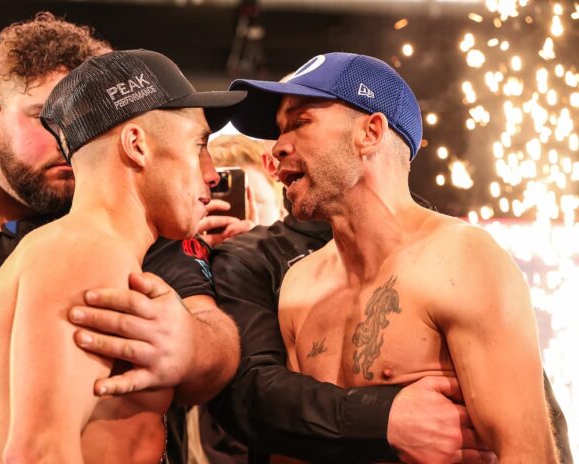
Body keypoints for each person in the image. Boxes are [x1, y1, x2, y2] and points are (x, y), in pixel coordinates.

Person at [0, 13, 239, 463]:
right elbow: (35, 453)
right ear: (137, 145)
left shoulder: (45, 249)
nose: (212, 174)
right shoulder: (91, 255)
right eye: (198, 145)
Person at [225, 52, 558, 462]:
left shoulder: (461, 259)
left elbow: (529, 453)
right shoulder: (301, 284)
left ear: (370, 132)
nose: (278, 147)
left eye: (299, 122)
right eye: (279, 130)